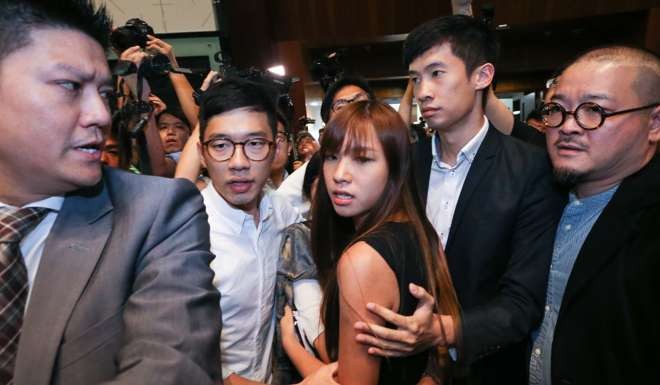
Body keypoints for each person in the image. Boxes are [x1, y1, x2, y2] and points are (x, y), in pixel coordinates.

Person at [0, 1, 221, 384]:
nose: (101, 116)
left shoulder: (154, 214)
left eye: (104, 93)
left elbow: (171, 367)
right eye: (70, 87)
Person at [354, 15, 564, 385]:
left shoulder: (529, 169)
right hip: (403, 366)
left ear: (482, 76)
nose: (422, 92)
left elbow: (523, 303)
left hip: (486, 368)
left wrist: (443, 331)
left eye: (437, 73)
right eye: (416, 78)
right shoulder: (405, 165)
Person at [193, 77, 337, 385]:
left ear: (275, 149)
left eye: (255, 144)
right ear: (201, 154)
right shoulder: (186, 233)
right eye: (221, 146)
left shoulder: (284, 214)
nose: (239, 162)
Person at [529, 45, 660, 385]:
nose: (568, 127)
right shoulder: (541, 197)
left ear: (654, 123)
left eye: (594, 110)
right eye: (556, 109)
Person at [311, 100, 461, 385]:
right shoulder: (423, 234)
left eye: (363, 159)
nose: (339, 175)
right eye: (331, 156)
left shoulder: (363, 259)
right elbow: (437, 363)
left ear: (395, 169)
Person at [277, 76, 374, 218]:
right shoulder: (314, 169)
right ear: (328, 125)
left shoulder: (394, 152)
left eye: (360, 102)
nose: (353, 112)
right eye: (341, 107)